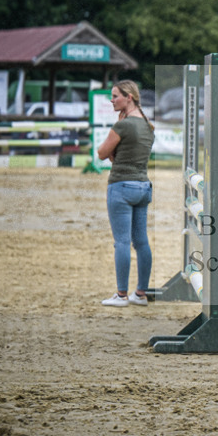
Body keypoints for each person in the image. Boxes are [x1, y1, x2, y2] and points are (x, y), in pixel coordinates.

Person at [97, 80, 155, 307]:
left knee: (121, 242)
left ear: (128, 97)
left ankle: (121, 295)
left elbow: (102, 153)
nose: (111, 100)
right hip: (143, 187)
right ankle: (140, 293)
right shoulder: (148, 126)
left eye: (115, 96)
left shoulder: (123, 126)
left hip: (121, 186)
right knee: (141, 242)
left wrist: (113, 151)